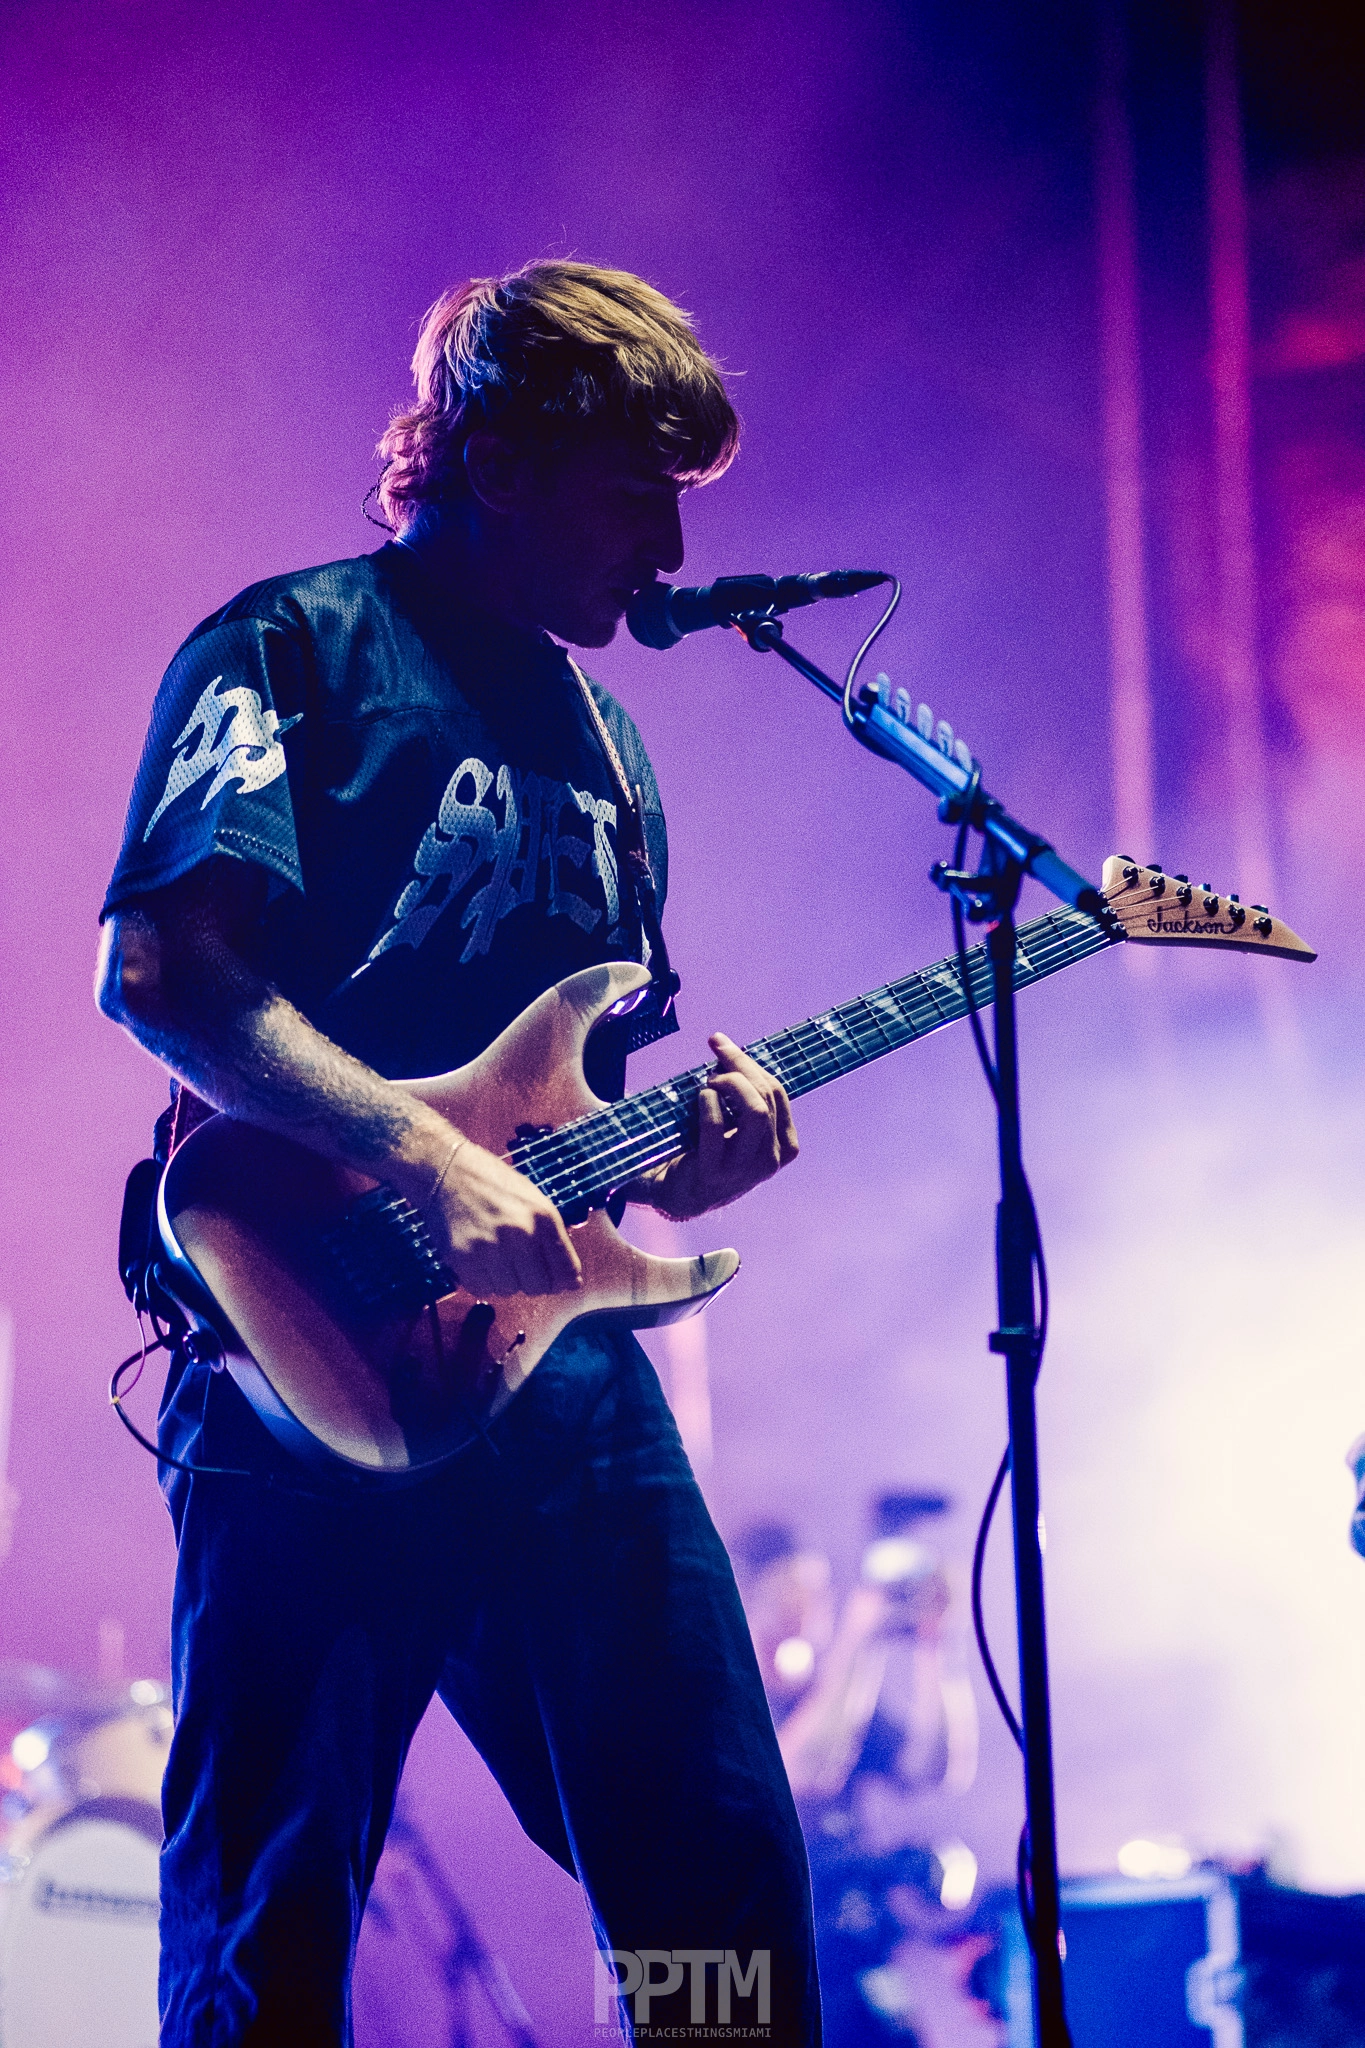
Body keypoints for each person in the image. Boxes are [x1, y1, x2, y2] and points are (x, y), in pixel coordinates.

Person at [96, 261, 817, 2046]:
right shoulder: (294, 647)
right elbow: (167, 974)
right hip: (304, 1351)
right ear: (495, 463)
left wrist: (682, 1165)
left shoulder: (611, 745)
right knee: (268, 1929)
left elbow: (566, 1124)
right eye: (631, 492)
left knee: (715, 1876)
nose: (666, 547)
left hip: (553, 1379)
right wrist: (417, 1157)